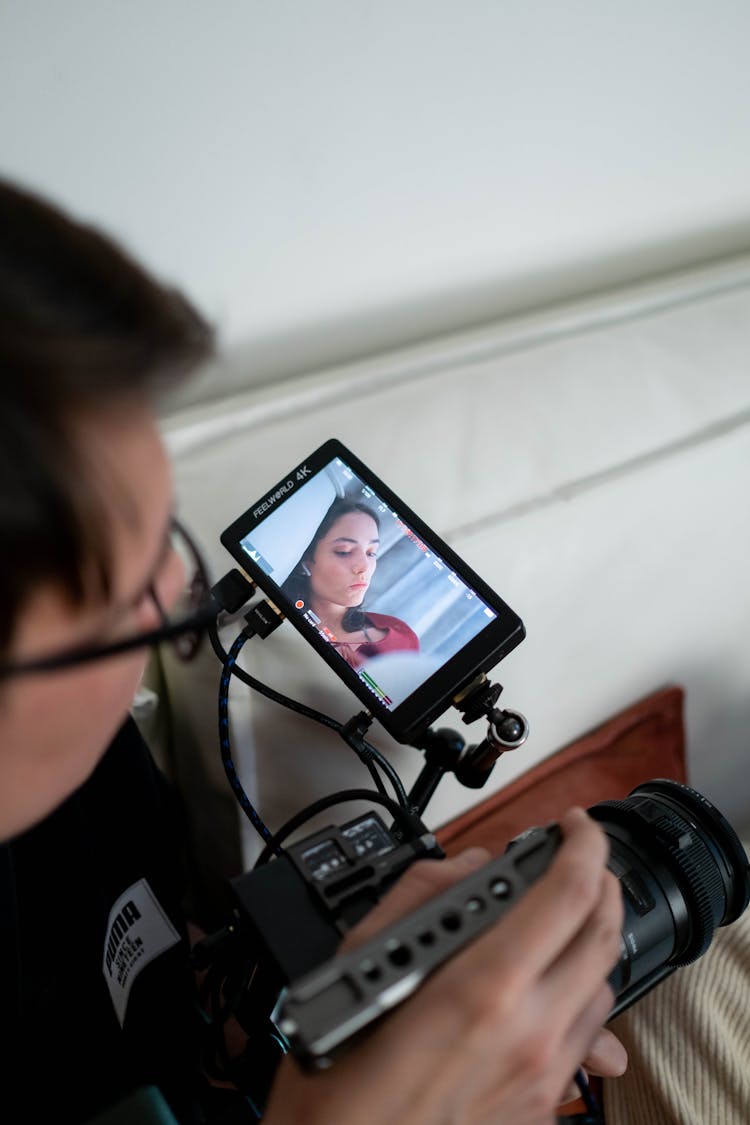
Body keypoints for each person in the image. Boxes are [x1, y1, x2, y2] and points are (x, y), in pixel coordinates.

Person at [0, 175, 627, 1124]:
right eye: (130, 600)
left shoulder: (85, 780)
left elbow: (147, 995)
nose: (179, 595)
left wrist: (308, 1019)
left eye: (165, 539)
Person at [281, 498, 420, 670]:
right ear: (306, 558)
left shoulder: (400, 639)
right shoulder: (278, 618)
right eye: (344, 552)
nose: (364, 567)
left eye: (371, 553)